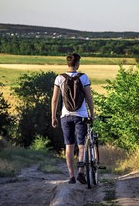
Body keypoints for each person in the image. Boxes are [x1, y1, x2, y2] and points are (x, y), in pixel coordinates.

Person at [51, 53, 95, 184]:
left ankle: (71, 176)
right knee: (81, 146)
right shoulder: (83, 77)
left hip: (65, 116)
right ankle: (81, 172)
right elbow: (89, 98)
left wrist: (53, 116)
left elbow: (54, 100)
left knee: (69, 146)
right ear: (78, 64)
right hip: (81, 116)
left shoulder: (59, 78)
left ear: (67, 63)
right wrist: (92, 114)